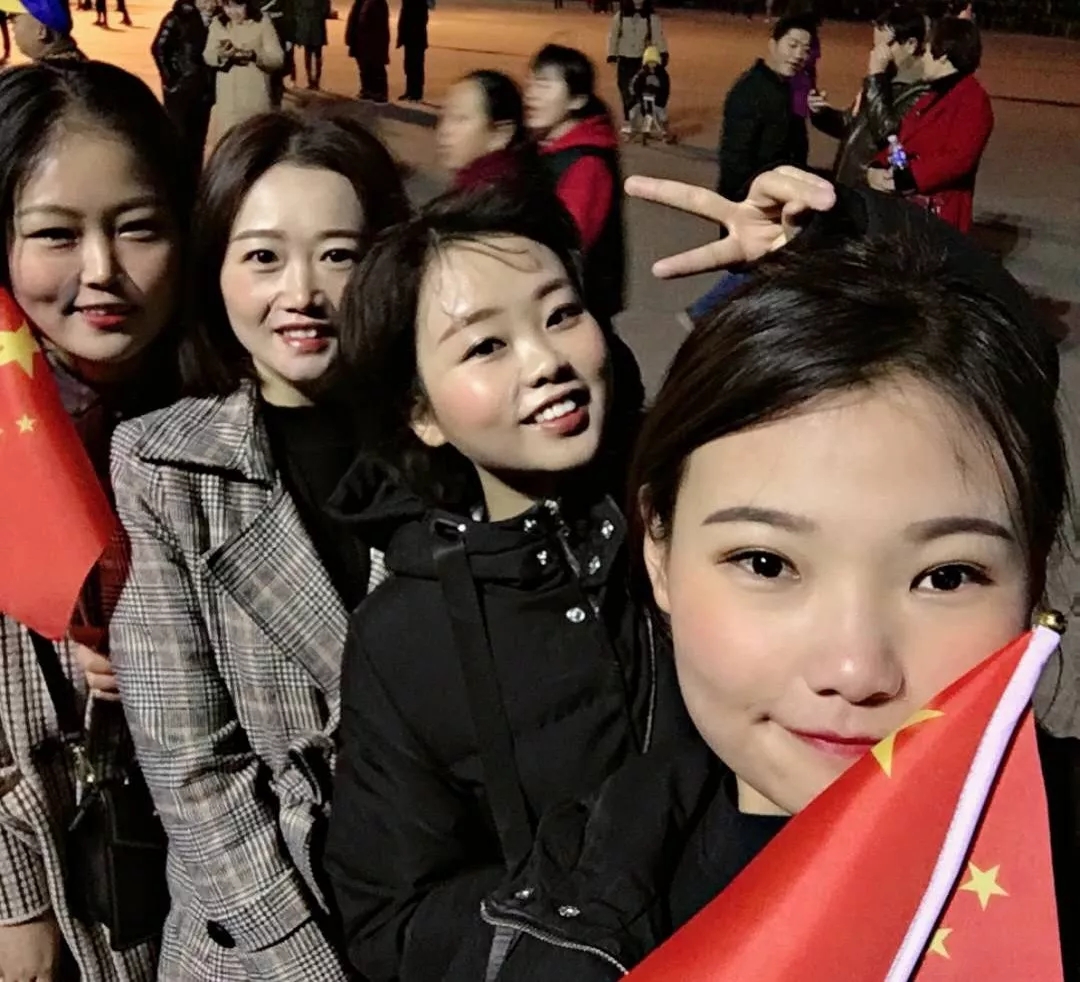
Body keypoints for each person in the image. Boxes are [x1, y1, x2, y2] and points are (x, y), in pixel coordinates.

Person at [454, 168, 1077, 981]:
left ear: (1034, 573)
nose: (855, 670)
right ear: (658, 550)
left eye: (946, 577)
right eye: (767, 562)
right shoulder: (575, 897)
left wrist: (861, 228)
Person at [324, 186, 688, 982]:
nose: (546, 361)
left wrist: (832, 247)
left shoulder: (695, 503)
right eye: (486, 345)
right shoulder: (401, 638)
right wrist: (570, 912)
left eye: (561, 314)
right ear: (422, 413)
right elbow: (390, 916)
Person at [109, 109, 410, 982]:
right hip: (263, 942)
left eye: (339, 254)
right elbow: (194, 775)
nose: (302, 292)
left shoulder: (451, 438)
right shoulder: (163, 464)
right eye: (263, 256)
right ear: (216, 270)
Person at [0, 58, 191, 982]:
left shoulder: (236, 399)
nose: (102, 271)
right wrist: (13, 899)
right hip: (49, 891)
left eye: (137, 227)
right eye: (55, 234)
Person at [524, 44, 643, 458]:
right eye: (531, 81)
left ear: (575, 100)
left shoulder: (585, 162)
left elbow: (568, 245)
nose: (532, 93)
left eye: (545, 84)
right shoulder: (550, 150)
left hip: (576, 312)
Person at [867, 17, 993, 233]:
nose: (923, 58)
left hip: (938, 213)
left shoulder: (972, 99)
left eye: (926, 51)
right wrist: (878, 166)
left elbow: (958, 159)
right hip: (912, 209)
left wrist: (906, 179)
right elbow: (902, 138)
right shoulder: (934, 94)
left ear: (942, 56)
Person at [809, 3, 929, 188]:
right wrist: (821, 113)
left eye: (885, 46)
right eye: (875, 46)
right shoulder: (883, 80)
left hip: (873, 192)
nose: (877, 54)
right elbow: (852, 125)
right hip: (848, 185)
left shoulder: (920, 92)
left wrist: (876, 77)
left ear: (911, 44)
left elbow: (888, 135)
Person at [718, 14, 815, 201]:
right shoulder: (750, 90)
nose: (798, 55)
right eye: (792, 45)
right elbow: (735, 159)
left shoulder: (789, 87)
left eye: (806, 50)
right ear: (772, 45)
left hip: (782, 193)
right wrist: (750, 202)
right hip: (753, 200)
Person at [438, 70, 540, 190]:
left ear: (500, 135)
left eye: (460, 118)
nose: (444, 130)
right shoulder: (478, 187)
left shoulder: (499, 194)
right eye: (443, 117)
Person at [203, 0, 284, 146]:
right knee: (229, 147)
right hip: (228, 103)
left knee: (255, 146)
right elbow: (208, 55)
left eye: (238, 6)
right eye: (227, 6)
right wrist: (221, 55)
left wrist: (255, 56)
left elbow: (277, 59)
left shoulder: (262, 23)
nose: (232, 12)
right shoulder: (218, 24)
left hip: (255, 100)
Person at [152, 0, 218, 176]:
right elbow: (158, 48)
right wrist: (171, 78)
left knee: (198, 140)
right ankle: (176, 178)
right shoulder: (177, 18)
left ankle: (193, 179)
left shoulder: (218, 22)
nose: (209, 5)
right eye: (204, 1)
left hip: (204, 91)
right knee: (179, 137)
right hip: (180, 92)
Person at [606, 0, 667, 134]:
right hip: (624, 58)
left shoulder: (651, 17)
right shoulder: (620, 16)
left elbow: (657, 37)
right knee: (625, 89)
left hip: (642, 60)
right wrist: (611, 54)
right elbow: (613, 36)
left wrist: (663, 53)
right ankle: (628, 119)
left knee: (642, 89)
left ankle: (646, 117)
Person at [5, 0, 84, 60]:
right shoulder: (77, 65)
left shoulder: (42, 75)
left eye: (14, 21)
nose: (12, 29)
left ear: (42, 31)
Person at [345, 0, 390, 102]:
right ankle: (367, 89)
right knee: (364, 66)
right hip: (360, 40)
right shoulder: (360, 2)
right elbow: (353, 18)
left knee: (376, 66)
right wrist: (350, 37)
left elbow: (381, 26)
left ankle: (379, 92)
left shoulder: (379, 3)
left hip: (373, 41)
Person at [627, 45, 671, 140]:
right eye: (649, 62)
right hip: (643, 100)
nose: (652, 65)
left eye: (654, 62)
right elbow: (634, 87)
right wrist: (637, 99)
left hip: (657, 100)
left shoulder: (662, 74)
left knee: (661, 114)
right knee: (633, 112)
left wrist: (661, 101)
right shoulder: (641, 74)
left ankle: (665, 132)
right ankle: (633, 129)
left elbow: (665, 89)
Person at [292, 0, 329, 89]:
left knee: (313, 53)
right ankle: (312, 80)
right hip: (312, 24)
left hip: (312, 24)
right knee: (311, 53)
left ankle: (314, 80)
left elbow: (325, 8)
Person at [396, 0, 427, 102]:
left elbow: (422, 18)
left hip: (416, 38)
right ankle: (410, 90)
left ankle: (416, 93)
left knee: (416, 66)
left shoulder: (420, 3)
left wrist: (412, 32)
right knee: (409, 66)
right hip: (409, 37)